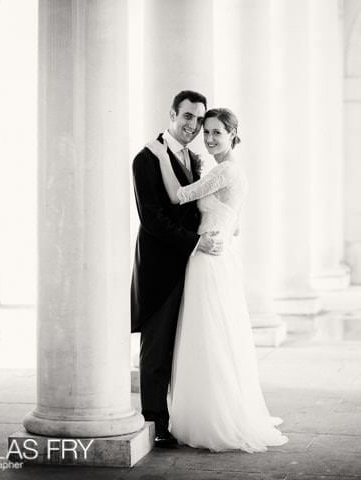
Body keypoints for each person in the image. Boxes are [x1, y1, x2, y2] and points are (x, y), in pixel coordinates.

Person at [146, 108, 288, 452]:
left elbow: (178, 195)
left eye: (216, 133)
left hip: (207, 261)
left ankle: (215, 417)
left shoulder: (225, 170)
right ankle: (211, 410)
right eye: (206, 132)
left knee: (208, 335)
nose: (208, 138)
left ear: (232, 134)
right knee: (210, 334)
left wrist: (161, 155)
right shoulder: (227, 170)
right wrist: (219, 230)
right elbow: (234, 223)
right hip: (213, 254)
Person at [131, 90, 224, 448]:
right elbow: (152, 219)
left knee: (181, 346)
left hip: (190, 266)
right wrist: (195, 241)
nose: (193, 125)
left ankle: (175, 418)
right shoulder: (146, 158)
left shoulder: (194, 158)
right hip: (159, 267)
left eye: (199, 120)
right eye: (187, 117)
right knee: (156, 349)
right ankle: (154, 422)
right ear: (172, 114)